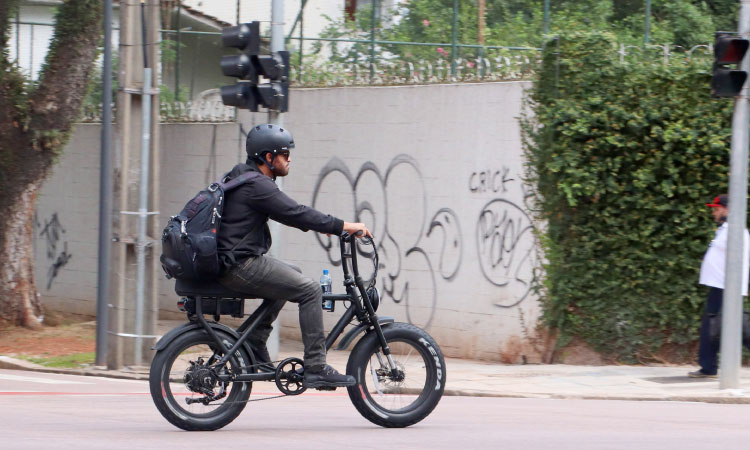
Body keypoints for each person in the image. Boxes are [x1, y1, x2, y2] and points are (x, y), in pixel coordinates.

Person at [216, 123, 371, 388]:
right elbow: (296, 212)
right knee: (310, 290)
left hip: (230, 262)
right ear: (268, 157)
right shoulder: (258, 186)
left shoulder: (241, 177)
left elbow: (291, 214)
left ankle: (254, 340)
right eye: (285, 154)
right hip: (239, 265)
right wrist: (344, 226)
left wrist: (327, 227)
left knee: (293, 274)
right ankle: (316, 367)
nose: (289, 159)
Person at [689, 194, 750, 378]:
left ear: (727, 209)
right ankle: (708, 367)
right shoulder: (726, 230)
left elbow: (740, 260)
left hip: (726, 288)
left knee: (731, 326)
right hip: (720, 286)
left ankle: (708, 368)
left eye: (716, 209)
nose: (714, 213)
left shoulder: (736, 231)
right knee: (719, 326)